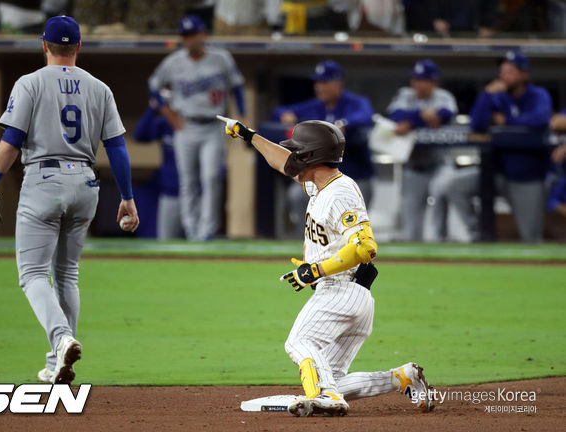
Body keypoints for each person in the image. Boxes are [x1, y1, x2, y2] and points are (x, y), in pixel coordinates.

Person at [218, 115, 433, 417]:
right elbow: (283, 163)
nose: (292, 156)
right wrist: (249, 135)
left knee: (300, 342)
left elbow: (366, 247)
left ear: (310, 156)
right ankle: (401, 378)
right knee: (331, 376)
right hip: (352, 296)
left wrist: (315, 270)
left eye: (297, 151)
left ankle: (328, 396)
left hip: (339, 292)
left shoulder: (339, 192)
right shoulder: (320, 185)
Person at [0, 16, 139, 384]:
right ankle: (56, 363)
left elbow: (12, 141)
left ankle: (61, 339)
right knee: (67, 274)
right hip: (85, 182)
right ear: (78, 47)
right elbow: (117, 149)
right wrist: (127, 197)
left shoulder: (30, 82)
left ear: (44, 46)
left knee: (33, 274)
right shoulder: (100, 88)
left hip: (44, 179)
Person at [148, 15, 245, 241]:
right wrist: (167, 112)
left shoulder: (221, 58)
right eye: (185, 36)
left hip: (213, 125)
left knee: (211, 177)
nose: (189, 40)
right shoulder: (173, 62)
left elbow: (237, 87)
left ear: (203, 35)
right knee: (188, 180)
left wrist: (241, 114)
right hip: (186, 126)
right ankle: (192, 231)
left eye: (193, 35)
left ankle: (207, 230)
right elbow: (153, 87)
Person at [447, 51, 552, 242]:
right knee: (456, 186)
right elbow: (477, 124)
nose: (504, 76)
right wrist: (487, 95)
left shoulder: (538, 95)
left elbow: (540, 119)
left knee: (531, 237)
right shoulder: (498, 95)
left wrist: (508, 121)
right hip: (495, 174)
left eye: (510, 71)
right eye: (502, 71)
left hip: (526, 178)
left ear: (524, 75)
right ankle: (477, 233)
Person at [272, 60, 375, 235]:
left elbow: (366, 116)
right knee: (297, 196)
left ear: (338, 83)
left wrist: (345, 124)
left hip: (355, 176)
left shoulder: (355, 103)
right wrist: (285, 115)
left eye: (325, 82)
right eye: (318, 82)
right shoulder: (314, 106)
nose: (319, 87)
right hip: (318, 178)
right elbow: (278, 111)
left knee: (351, 230)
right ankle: (305, 246)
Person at [387, 59, 457, 241]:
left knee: (441, 193)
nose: (418, 84)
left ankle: (441, 242)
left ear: (434, 82)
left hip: (440, 165)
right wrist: (421, 116)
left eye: (423, 80)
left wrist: (410, 123)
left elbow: (446, 115)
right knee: (411, 223)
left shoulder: (444, 96)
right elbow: (395, 115)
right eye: (416, 79)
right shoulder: (406, 94)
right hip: (414, 166)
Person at [133, 98, 183, 239]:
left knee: (197, 243)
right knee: (166, 242)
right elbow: (139, 135)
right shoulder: (165, 123)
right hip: (170, 193)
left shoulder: (195, 123)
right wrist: (153, 108)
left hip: (195, 195)